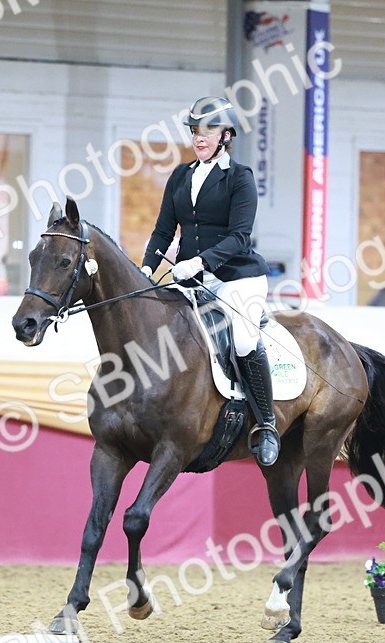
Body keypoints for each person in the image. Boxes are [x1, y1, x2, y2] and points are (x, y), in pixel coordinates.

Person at [141, 96, 279, 467]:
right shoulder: (181, 176)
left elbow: (239, 237)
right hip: (191, 278)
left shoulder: (240, 177)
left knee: (244, 337)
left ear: (226, 135)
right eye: (195, 131)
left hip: (237, 277)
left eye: (208, 131)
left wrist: (200, 262)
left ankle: (266, 424)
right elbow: (163, 230)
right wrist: (146, 270)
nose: (199, 138)